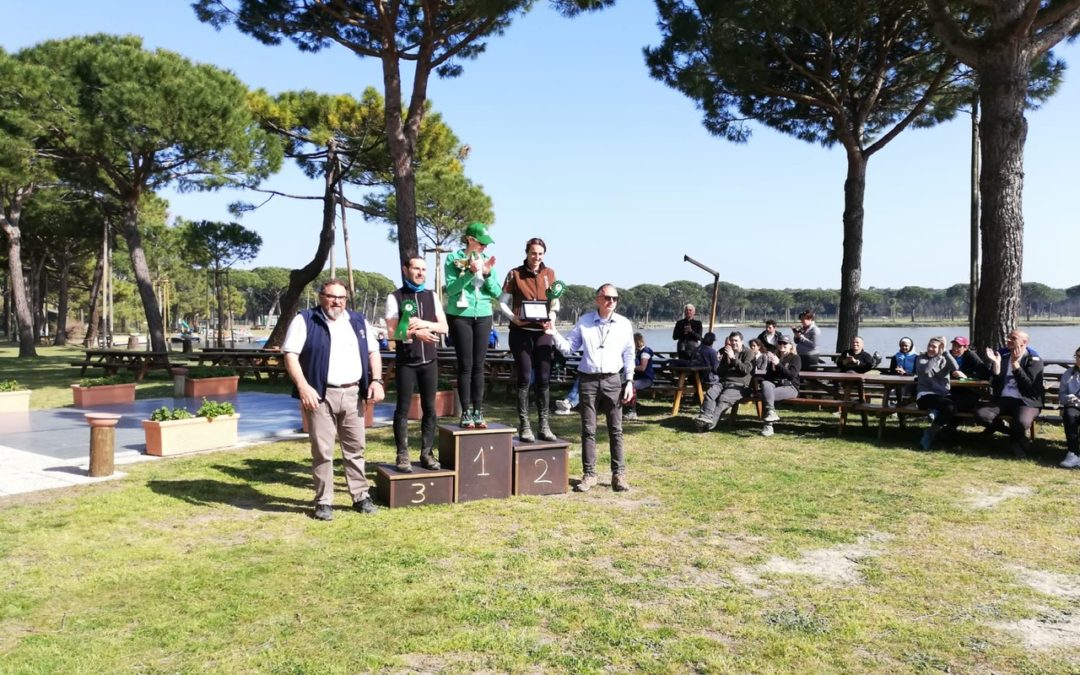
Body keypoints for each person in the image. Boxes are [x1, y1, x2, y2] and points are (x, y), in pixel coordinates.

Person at [283, 279, 384, 521]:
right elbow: (290, 354)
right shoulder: (305, 320)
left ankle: (360, 497)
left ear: (346, 300)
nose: (336, 302)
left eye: (341, 298)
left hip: (352, 395)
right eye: (331, 296)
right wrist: (303, 386)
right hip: (320, 395)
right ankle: (324, 502)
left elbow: (373, 352)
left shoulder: (358, 322)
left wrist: (376, 380)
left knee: (356, 450)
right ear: (321, 296)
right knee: (322, 451)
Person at [549, 284, 635, 493]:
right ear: (598, 299)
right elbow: (569, 348)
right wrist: (553, 332)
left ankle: (619, 475)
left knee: (616, 429)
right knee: (588, 429)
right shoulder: (585, 321)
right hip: (587, 380)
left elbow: (629, 354)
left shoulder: (624, 324)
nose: (611, 302)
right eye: (607, 298)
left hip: (613, 380)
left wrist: (629, 381)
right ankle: (589, 475)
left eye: (615, 298)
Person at [385, 256, 448, 473]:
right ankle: (402, 454)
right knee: (402, 409)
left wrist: (424, 324)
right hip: (406, 363)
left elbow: (443, 327)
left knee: (430, 409)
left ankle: (427, 453)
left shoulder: (431, 296)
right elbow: (393, 334)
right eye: (416, 269)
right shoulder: (395, 297)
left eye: (423, 269)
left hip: (429, 361)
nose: (420, 273)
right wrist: (415, 333)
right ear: (406, 270)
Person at [498, 237, 559, 442]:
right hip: (520, 332)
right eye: (533, 253)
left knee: (543, 377)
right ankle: (525, 425)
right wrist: (514, 318)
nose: (536, 257)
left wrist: (551, 318)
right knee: (525, 376)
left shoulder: (549, 274)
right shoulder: (514, 273)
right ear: (527, 252)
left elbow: (555, 304)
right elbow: (502, 302)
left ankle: (544, 425)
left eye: (540, 254)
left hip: (542, 332)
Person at [444, 222, 501, 429]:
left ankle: (478, 410)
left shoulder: (488, 261)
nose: (485, 247)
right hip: (460, 315)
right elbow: (451, 290)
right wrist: (470, 272)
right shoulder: (453, 258)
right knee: (466, 365)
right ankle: (465, 411)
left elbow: (496, 291)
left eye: (487, 244)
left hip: (484, 314)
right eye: (481, 243)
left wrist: (485, 274)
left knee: (479, 365)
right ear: (470, 239)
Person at [974, 330, 1044, 459]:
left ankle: (1015, 443)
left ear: (1024, 342)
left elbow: (1030, 387)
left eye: (1013, 338)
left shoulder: (1034, 360)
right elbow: (995, 385)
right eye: (1008, 338)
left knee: (1021, 422)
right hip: (1004, 399)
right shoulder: (1004, 357)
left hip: (1027, 400)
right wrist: (996, 366)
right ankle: (1018, 437)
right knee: (981, 415)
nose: (1008, 340)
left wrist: (1016, 365)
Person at [693, 331, 754, 432]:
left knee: (723, 399)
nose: (733, 343)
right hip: (723, 382)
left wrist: (733, 359)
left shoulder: (749, 353)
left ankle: (709, 424)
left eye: (736, 340)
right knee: (710, 394)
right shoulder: (727, 352)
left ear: (741, 341)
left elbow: (745, 370)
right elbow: (719, 372)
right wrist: (727, 362)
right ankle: (705, 417)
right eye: (731, 340)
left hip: (739, 385)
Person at [914, 336, 963, 451]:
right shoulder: (921, 357)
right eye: (929, 346)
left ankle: (937, 431)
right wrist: (937, 357)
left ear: (940, 348)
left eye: (934, 347)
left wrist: (945, 353)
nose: (930, 348)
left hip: (943, 395)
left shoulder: (944, 357)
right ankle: (930, 435)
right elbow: (926, 370)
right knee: (949, 407)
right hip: (925, 395)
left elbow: (955, 367)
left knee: (963, 404)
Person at [759, 335, 801, 437]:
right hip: (775, 385)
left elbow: (791, 376)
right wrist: (772, 367)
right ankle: (771, 415)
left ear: (791, 346)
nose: (782, 345)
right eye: (780, 343)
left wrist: (778, 364)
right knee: (765, 384)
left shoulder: (795, 358)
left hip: (790, 387)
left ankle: (768, 426)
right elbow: (768, 378)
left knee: (767, 395)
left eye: (785, 343)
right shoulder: (775, 356)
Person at [948, 336, 989, 413]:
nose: (955, 349)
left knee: (965, 402)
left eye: (959, 347)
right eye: (954, 346)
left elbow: (985, 373)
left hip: (969, 390)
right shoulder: (947, 355)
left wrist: (966, 376)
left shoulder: (971, 356)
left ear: (965, 348)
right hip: (951, 389)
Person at [1058, 347, 1080, 469]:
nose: (1078, 359)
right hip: (1074, 405)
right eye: (1076, 356)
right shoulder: (1068, 373)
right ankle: (1073, 453)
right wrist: (1068, 397)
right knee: (1069, 415)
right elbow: (1061, 395)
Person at [625, 333, 655, 420]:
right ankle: (628, 406)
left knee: (631, 386)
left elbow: (642, 368)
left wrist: (630, 368)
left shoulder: (645, 352)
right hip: (638, 378)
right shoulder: (637, 352)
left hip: (646, 379)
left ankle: (632, 411)